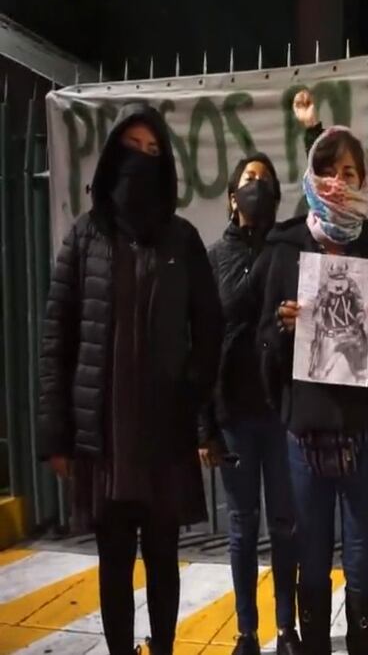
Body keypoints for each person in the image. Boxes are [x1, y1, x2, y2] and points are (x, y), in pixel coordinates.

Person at [38, 103, 223, 655]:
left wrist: (191, 393)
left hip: (162, 440)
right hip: (104, 441)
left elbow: (210, 328)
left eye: (154, 151)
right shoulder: (85, 238)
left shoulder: (182, 240)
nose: (142, 160)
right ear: (113, 153)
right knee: (113, 564)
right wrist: (56, 436)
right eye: (132, 148)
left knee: (164, 561)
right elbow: (58, 339)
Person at [258, 126, 368, 655]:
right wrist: (282, 329)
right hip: (304, 432)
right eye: (328, 172)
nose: (338, 183)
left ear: (364, 179)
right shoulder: (285, 246)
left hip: (364, 429)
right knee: (313, 555)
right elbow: (263, 345)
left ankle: (367, 644)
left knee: (364, 555)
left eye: (349, 173)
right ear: (312, 176)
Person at [200, 154, 303, 655]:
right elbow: (200, 338)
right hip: (234, 413)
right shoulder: (215, 255)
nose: (256, 186)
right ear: (231, 197)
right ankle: (246, 632)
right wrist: (204, 426)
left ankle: (287, 628)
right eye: (248, 180)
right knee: (242, 526)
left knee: (286, 521)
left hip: (280, 409)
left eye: (265, 180)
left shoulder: (289, 248)